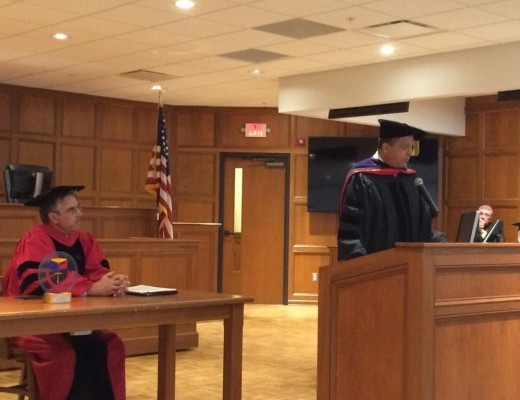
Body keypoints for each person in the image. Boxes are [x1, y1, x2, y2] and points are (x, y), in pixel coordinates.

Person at [2, 186, 130, 400]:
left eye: (79, 207)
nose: (80, 214)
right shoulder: (35, 239)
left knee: (111, 345)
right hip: (34, 325)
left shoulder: (85, 240)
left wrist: (113, 282)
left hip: (75, 323)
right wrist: (90, 288)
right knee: (64, 354)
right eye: (72, 210)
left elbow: (97, 271)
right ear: (53, 217)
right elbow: (41, 281)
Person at [337, 119, 446, 261]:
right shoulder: (362, 179)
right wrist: (359, 264)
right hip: (377, 267)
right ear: (386, 147)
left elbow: (423, 228)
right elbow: (351, 232)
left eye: (412, 147)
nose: (410, 153)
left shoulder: (410, 179)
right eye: (405, 147)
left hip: (411, 266)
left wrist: (442, 244)